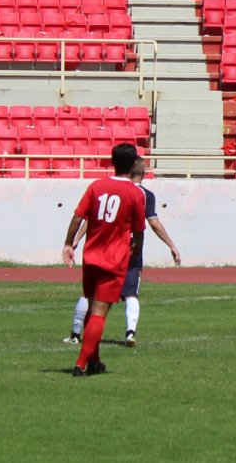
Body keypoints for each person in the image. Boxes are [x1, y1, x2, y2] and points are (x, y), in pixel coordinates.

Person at [63, 158, 181, 347]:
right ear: (144, 173)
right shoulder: (143, 194)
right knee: (131, 293)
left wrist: (75, 240)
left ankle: (76, 335)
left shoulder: (107, 188)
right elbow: (153, 222)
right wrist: (171, 245)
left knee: (89, 293)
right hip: (129, 250)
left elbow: (92, 218)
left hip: (103, 249)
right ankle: (130, 333)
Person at [62, 143, 146, 377]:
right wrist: (136, 249)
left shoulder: (96, 186)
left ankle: (95, 360)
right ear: (133, 164)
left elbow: (78, 217)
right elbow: (139, 230)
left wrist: (68, 243)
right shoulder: (135, 193)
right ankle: (80, 364)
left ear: (112, 161)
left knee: (91, 308)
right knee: (99, 312)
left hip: (91, 256)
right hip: (114, 259)